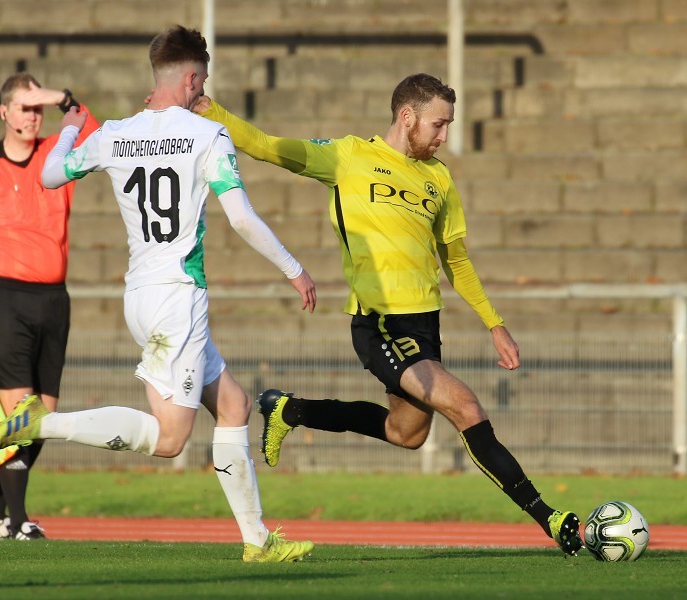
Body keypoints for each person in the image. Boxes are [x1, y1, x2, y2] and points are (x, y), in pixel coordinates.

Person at [192, 73, 584, 557]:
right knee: (466, 407)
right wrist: (213, 112)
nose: (444, 136)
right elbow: (269, 147)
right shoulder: (350, 156)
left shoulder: (438, 177)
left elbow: (455, 259)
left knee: (407, 434)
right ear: (407, 117)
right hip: (380, 323)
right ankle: (552, 519)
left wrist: (494, 323)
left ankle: (288, 409)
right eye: (438, 125)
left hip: (425, 325)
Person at [0, 25, 317, 563]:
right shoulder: (207, 135)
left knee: (233, 404)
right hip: (179, 299)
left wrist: (69, 129)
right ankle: (41, 423)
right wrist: (294, 268)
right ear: (190, 78)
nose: (203, 91)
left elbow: (47, 174)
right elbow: (242, 219)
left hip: (140, 293)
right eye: (201, 81)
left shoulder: (116, 132)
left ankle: (258, 542)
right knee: (170, 439)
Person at [0, 73, 100, 540]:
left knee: (43, 420)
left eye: (38, 108)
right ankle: (16, 521)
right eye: (24, 106)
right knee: (21, 415)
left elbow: (93, 129)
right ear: (4, 113)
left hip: (53, 300)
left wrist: (62, 98)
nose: (32, 116)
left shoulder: (59, 155)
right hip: (3, 299)